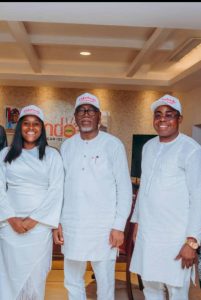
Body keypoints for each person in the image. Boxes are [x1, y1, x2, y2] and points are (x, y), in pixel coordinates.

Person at [53, 92, 132, 300]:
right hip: (72, 225)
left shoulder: (113, 145)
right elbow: (61, 188)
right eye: (81, 110)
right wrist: (58, 222)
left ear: (98, 117)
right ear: (75, 118)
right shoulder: (67, 146)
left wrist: (118, 226)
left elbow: (124, 188)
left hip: (104, 227)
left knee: (105, 282)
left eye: (90, 110)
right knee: (72, 280)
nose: (85, 114)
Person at [129, 94, 201, 300]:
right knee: (150, 287)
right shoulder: (148, 147)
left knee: (177, 290)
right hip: (149, 233)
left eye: (169, 115)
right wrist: (136, 222)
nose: (162, 119)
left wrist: (192, 242)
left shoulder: (191, 150)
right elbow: (145, 189)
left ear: (180, 119)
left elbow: (198, 197)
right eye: (158, 115)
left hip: (176, 236)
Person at [0, 105, 64, 300]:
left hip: (38, 228)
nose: (31, 127)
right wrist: (12, 219)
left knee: (35, 278)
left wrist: (32, 220)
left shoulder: (52, 155)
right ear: (19, 127)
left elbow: (56, 191)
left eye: (36, 124)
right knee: (9, 277)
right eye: (26, 123)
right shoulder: (5, 154)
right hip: (9, 226)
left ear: (42, 128)